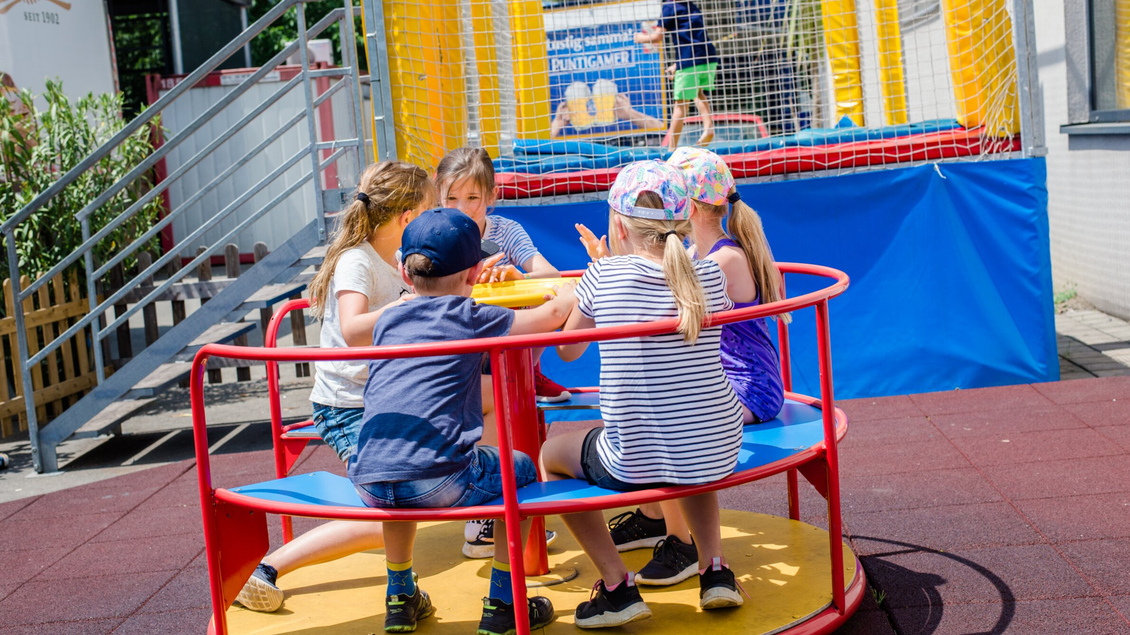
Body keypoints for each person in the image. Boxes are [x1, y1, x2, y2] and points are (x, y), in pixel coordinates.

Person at [348, 207, 575, 634]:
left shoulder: (389, 318)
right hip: (439, 482)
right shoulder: (470, 317)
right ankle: (504, 605)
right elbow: (549, 318)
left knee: (402, 461)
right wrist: (569, 293)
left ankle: (400, 597)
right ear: (474, 273)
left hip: (369, 479)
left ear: (403, 271)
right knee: (520, 469)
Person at [540, 161, 745, 628]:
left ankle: (616, 586)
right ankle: (716, 570)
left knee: (550, 453)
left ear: (617, 224)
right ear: (684, 219)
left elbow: (567, 351)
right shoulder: (708, 275)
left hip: (632, 460)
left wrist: (589, 282)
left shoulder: (604, 277)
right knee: (689, 443)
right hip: (716, 448)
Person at [234, 161, 437, 613]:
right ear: (407, 218)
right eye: (430, 210)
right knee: (381, 518)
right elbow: (352, 329)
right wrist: (409, 308)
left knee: (482, 404)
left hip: (382, 400)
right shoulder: (356, 260)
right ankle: (267, 568)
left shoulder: (396, 259)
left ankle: (484, 522)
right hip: (347, 408)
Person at [579, 148, 787, 586]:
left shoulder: (722, 259)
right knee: (670, 400)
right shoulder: (691, 256)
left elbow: (662, 294)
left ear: (684, 206)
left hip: (749, 385)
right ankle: (658, 519)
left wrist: (609, 274)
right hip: (722, 379)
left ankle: (680, 541)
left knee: (671, 409)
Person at [634, 0, 718, 147]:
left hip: (690, 60)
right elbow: (693, 40)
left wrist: (640, 38)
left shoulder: (669, 7)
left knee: (680, 104)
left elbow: (657, 37)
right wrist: (677, 65)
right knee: (698, 93)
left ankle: (671, 149)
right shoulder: (691, 6)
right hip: (707, 58)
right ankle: (708, 127)